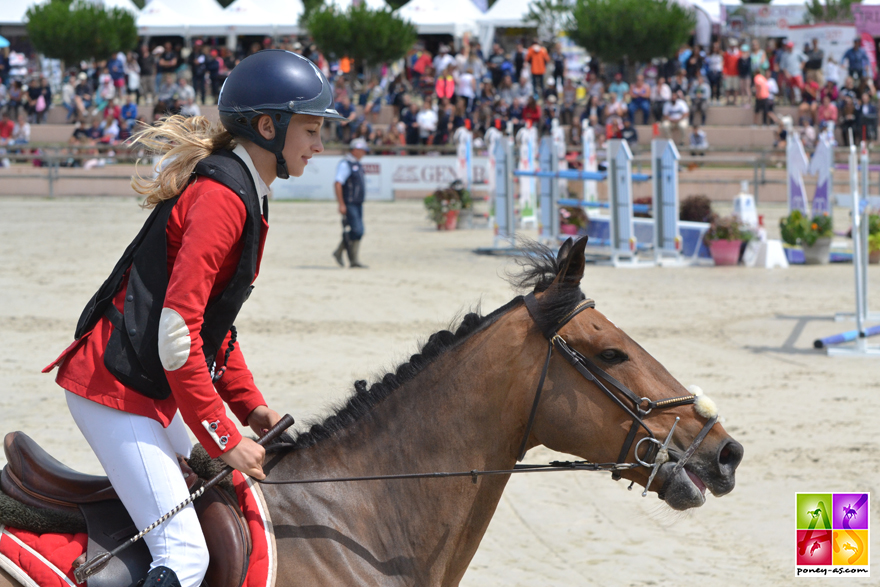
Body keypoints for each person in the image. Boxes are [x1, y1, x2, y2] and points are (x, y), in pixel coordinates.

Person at [43, 49, 345, 587]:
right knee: (185, 555)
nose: (320, 144)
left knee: (228, 495)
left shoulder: (248, 191)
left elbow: (214, 327)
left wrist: (250, 406)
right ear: (269, 127)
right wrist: (223, 436)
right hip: (112, 390)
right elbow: (178, 336)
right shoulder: (223, 198)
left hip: (152, 387)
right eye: (312, 129)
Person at [332, 138, 369, 268]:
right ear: (355, 150)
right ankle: (346, 255)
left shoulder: (356, 164)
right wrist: (341, 204)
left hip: (358, 203)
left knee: (357, 230)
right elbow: (338, 183)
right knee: (358, 230)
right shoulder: (345, 164)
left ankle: (349, 257)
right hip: (350, 203)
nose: (364, 153)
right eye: (363, 150)